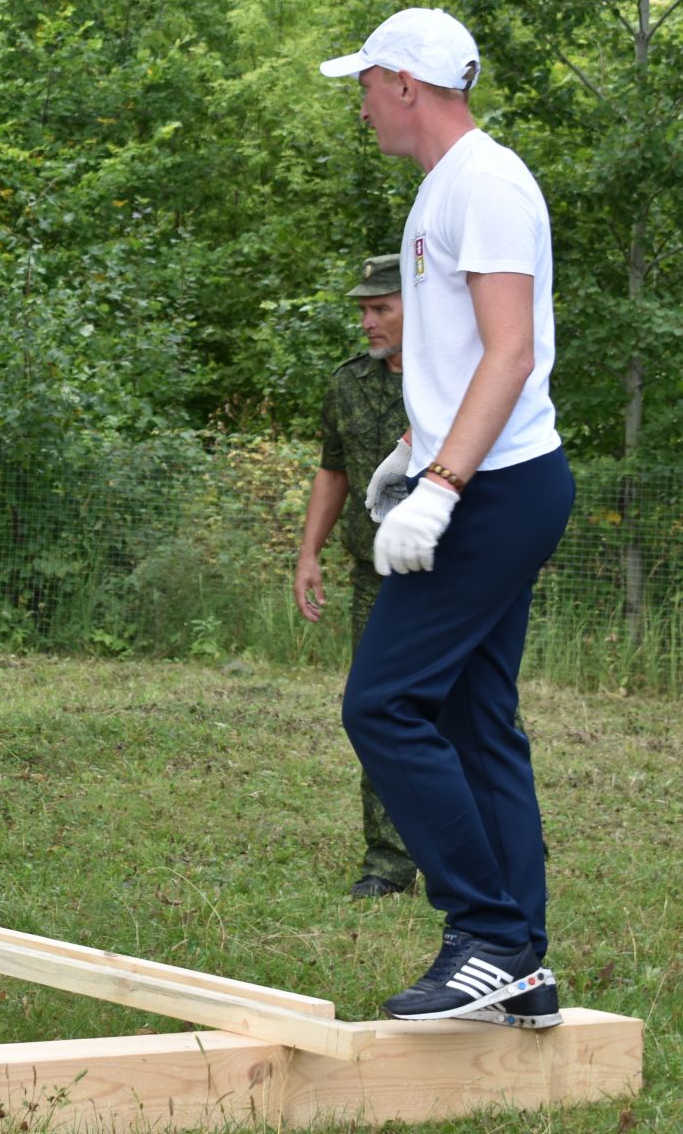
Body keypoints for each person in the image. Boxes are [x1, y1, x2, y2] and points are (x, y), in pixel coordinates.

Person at [320, 8, 572, 1028]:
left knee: (380, 704)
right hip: (478, 477)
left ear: (406, 85)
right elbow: (466, 358)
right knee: (476, 723)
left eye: (367, 84)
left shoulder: (488, 183)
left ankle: (488, 932)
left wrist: (445, 486)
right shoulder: (444, 189)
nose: (363, 102)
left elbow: (510, 353)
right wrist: (415, 453)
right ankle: (522, 968)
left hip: (499, 490)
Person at [292, 255, 417, 899]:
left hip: (454, 575)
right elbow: (333, 470)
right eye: (363, 310)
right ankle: (390, 866)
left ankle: (500, 846)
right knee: (376, 710)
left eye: (381, 308)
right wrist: (309, 552)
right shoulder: (347, 384)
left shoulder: (456, 379)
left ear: (419, 305)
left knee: (479, 714)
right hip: (376, 577)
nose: (368, 321)